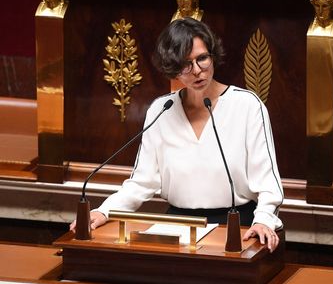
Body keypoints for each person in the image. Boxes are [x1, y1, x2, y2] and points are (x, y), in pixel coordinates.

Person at [70, 18, 283, 252]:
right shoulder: (162, 110)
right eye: (185, 64)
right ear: (172, 68)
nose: (197, 71)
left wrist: (263, 219)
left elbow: (268, 180)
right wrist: (104, 210)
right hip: (178, 225)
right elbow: (142, 181)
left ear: (212, 55)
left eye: (202, 58)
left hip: (237, 225)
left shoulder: (247, 105)